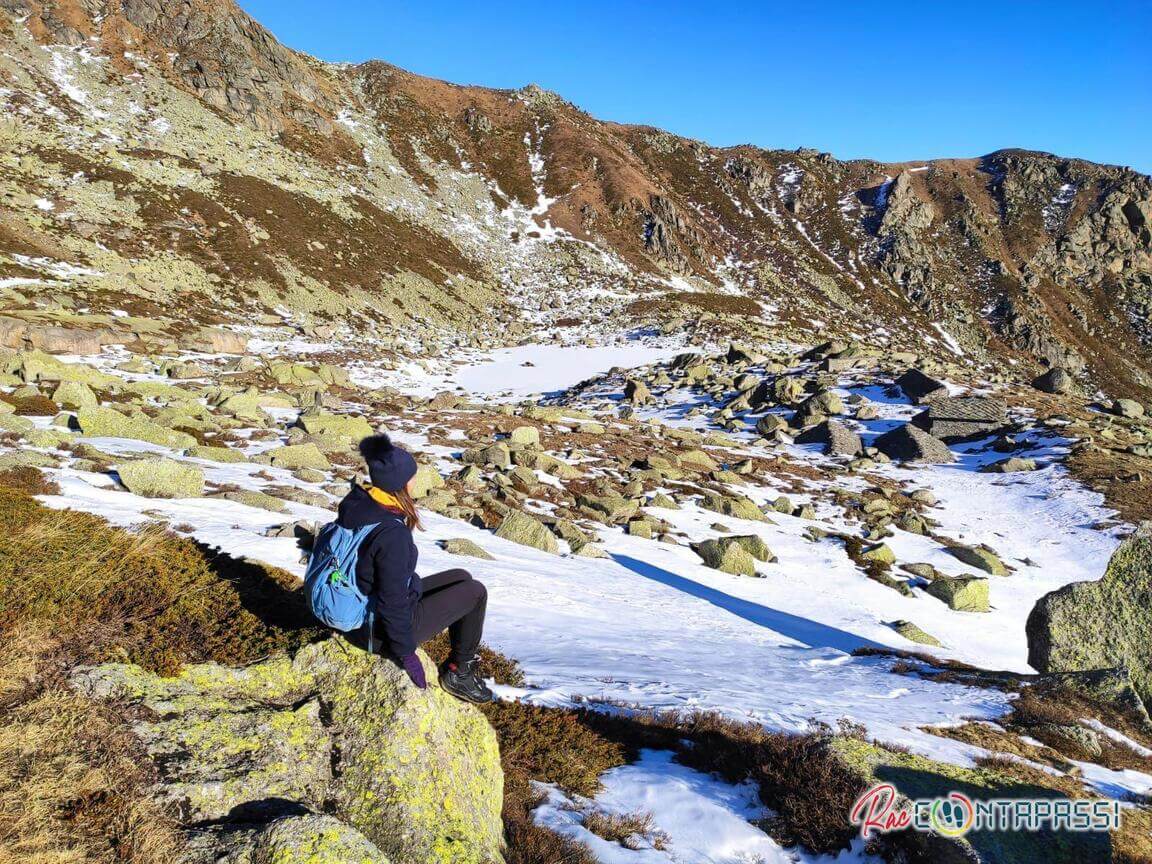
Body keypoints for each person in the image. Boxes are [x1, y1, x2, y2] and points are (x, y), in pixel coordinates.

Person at [336, 433, 493, 704]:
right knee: (476, 592)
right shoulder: (392, 535)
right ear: (400, 483)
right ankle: (459, 672)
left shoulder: (359, 503)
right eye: (411, 476)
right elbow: (392, 601)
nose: (414, 481)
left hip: (362, 607)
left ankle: (460, 663)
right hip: (376, 632)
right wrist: (407, 653)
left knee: (461, 577)